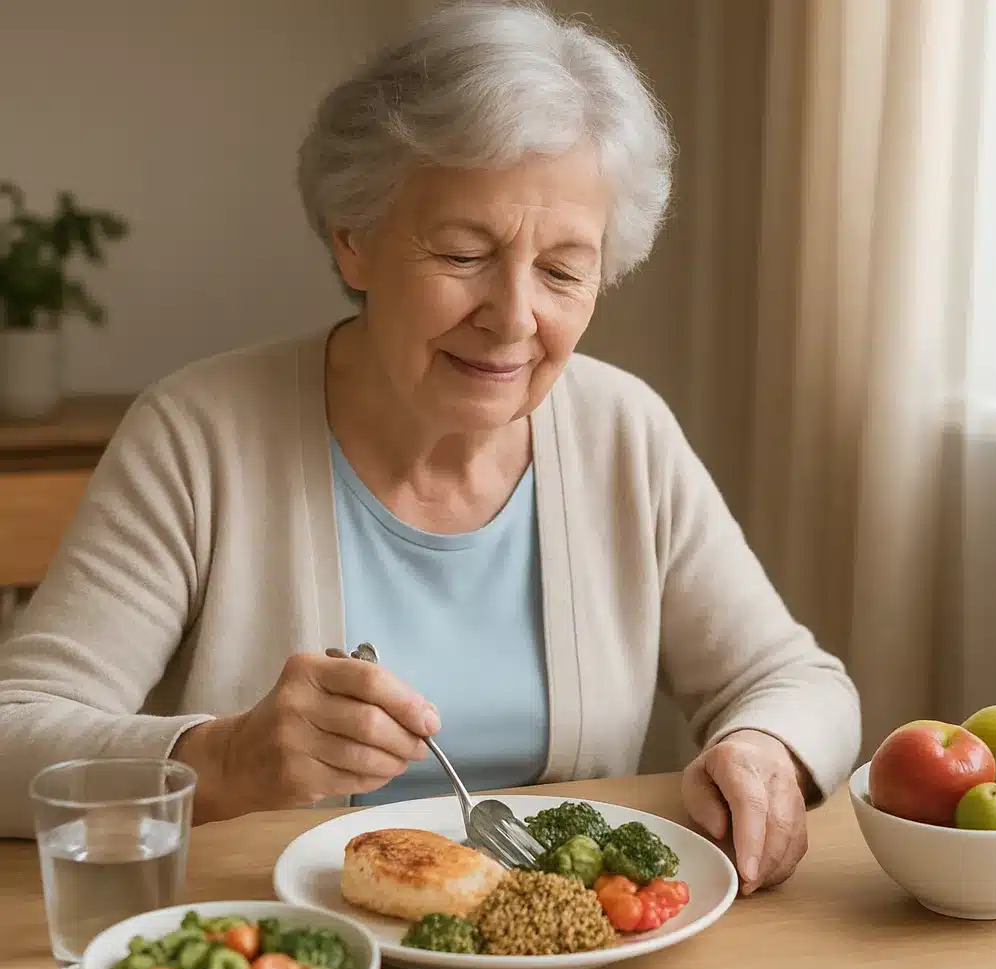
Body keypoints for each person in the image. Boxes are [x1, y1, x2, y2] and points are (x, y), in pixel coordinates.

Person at [0, 0, 860, 896]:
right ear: (354, 238)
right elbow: (12, 732)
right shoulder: (198, 435)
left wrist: (763, 749)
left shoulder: (624, 433)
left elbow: (799, 681)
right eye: (461, 253)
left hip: (564, 965)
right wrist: (223, 758)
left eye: (564, 270)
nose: (515, 316)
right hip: (290, 965)